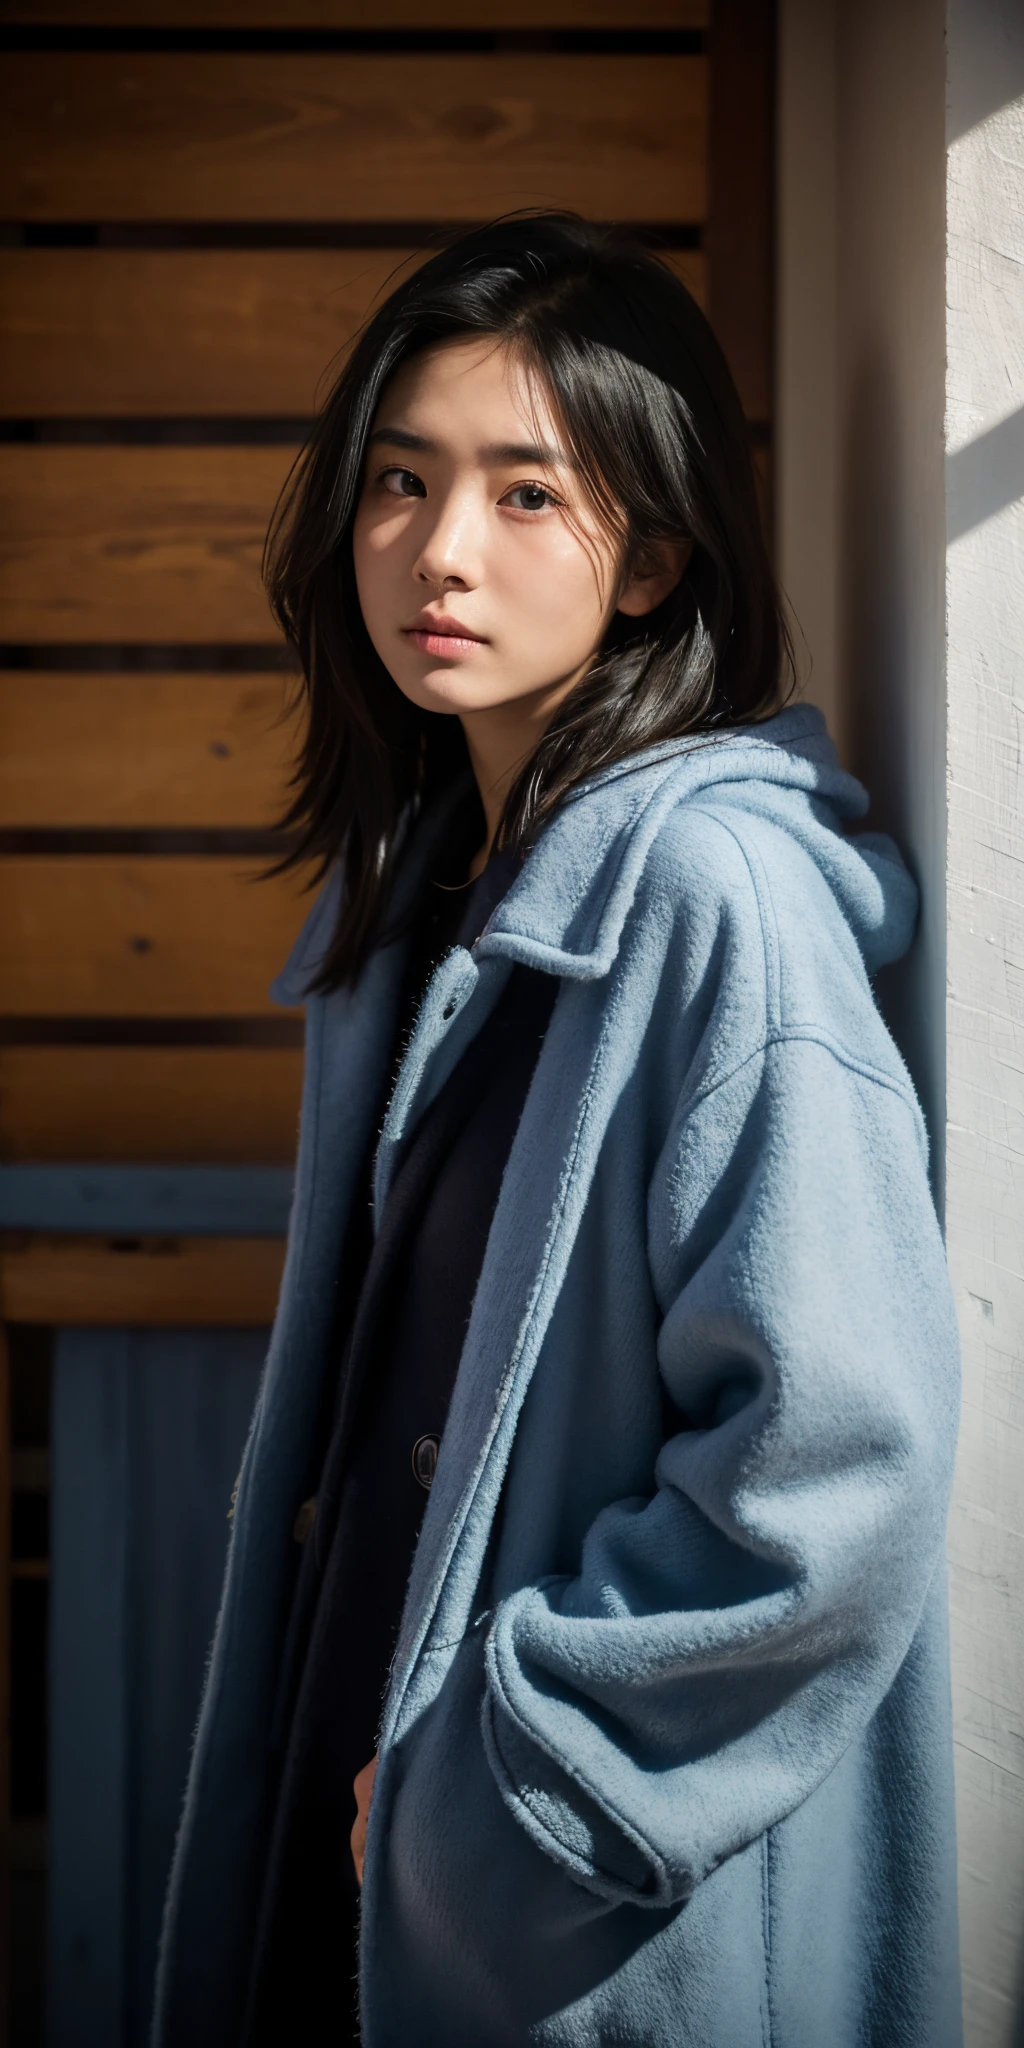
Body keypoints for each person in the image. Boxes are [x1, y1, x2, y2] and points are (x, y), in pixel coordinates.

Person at [153, 215, 962, 2048]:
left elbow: (839, 1462)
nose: (438, 550)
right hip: (367, 1812)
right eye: (399, 479)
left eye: (532, 494)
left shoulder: (718, 894)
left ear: (659, 554)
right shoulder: (434, 890)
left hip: (549, 1896)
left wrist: (525, 1781)